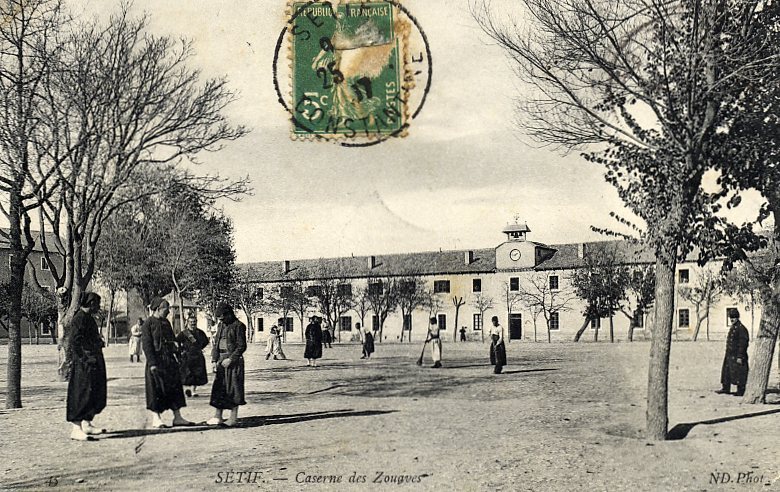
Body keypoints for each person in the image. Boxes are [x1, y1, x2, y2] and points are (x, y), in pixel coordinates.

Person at [141, 297, 193, 428]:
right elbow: (147, 345)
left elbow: (172, 339)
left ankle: (177, 417)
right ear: (158, 309)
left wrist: (177, 349)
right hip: (156, 362)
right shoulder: (148, 323)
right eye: (166, 309)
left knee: (175, 388)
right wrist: (152, 363)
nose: (168, 311)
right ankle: (156, 418)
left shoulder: (166, 323)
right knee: (156, 389)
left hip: (169, 360)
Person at [66, 292, 107, 441]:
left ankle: (87, 423)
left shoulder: (88, 318)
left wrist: (98, 343)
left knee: (93, 393)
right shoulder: (79, 319)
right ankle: (76, 428)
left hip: (93, 361)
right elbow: (75, 343)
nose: (99, 307)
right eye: (97, 304)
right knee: (81, 394)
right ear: (91, 303)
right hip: (84, 365)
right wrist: (84, 359)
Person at [208, 303, 247, 426]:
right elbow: (216, 343)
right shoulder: (221, 325)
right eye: (219, 319)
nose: (222, 321)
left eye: (223, 318)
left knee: (234, 389)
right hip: (220, 360)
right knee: (219, 389)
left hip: (233, 362)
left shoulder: (239, 326)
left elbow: (242, 346)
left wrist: (231, 359)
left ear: (229, 314)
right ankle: (217, 416)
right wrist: (214, 360)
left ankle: (233, 418)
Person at [717, 309, 750, 396]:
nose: (732, 319)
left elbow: (743, 344)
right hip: (730, 355)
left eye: (734, 317)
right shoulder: (733, 327)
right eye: (731, 318)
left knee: (739, 373)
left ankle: (740, 390)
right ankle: (725, 388)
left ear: (737, 318)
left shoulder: (741, 328)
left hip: (737, 355)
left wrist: (740, 356)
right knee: (727, 372)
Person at [177, 314, 209, 398]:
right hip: (186, 356)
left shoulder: (200, 332)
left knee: (196, 374)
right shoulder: (183, 333)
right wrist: (181, 350)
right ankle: (187, 390)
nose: (192, 323)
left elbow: (206, 341)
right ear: (187, 322)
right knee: (186, 373)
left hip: (197, 356)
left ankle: (193, 391)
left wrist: (200, 348)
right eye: (191, 322)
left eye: (194, 322)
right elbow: (176, 342)